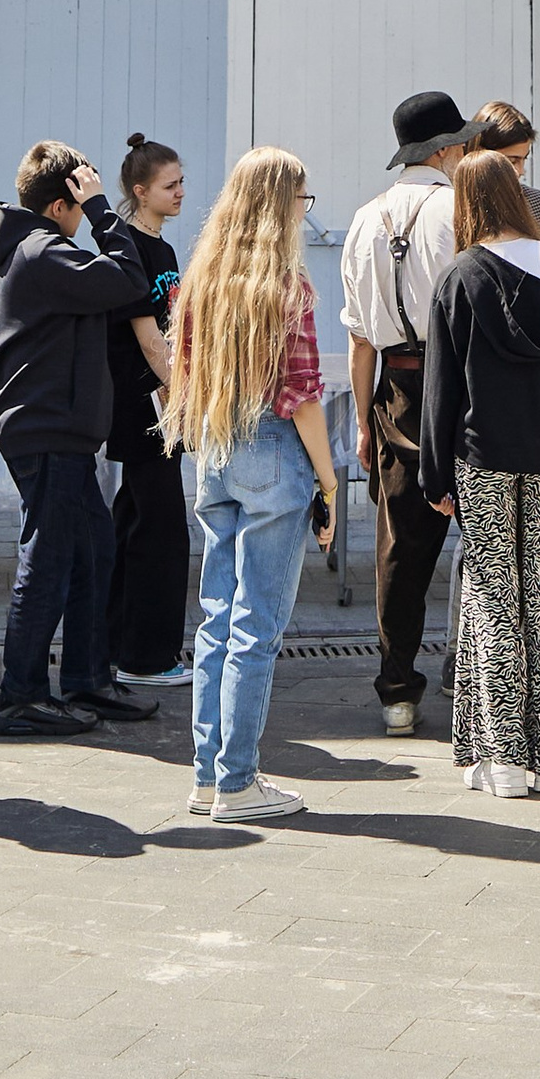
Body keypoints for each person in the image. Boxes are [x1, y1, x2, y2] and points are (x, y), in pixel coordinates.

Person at [164, 147, 341, 822]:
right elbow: (302, 396)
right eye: (303, 200)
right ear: (279, 206)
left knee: (217, 620)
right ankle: (239, 780)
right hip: (272, 448)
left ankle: (210, 776)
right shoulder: (286, 286)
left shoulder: (201, 280)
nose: (306, 210)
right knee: (255, 626)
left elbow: (182, 378)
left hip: (214, 447)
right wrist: (328, 482)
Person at [416, 152, 540, 801]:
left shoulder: (459, 276)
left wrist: (434, 476)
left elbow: (442, 391)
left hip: (481, 458)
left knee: (493, 600)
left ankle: (501, 760)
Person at [0, 142, 163, 741]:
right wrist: (104, 212)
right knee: (50, 559)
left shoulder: (42, 250)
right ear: (63, 204)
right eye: (79, 202)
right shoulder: (42, 252)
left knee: (92, 552)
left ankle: (87, 676)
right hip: (47, 429)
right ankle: (22, 695)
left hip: (62, 429)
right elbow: (128, 279)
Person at [339, 87, 468, 738]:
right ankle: (479, 682)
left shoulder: (364, 219)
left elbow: (359, 339)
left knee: (400, 551)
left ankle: (397, 689)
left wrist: (364, 421)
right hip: (462, 388)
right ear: (445, 149)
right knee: (487, 540)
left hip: (394, 390)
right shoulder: (460, 209)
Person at [106, 134, 193, 687]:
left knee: (134, 522)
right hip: (146, 404)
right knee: (161, 532)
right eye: (171, 184)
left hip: (162, 401)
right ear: (141, 192)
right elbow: (148, 340)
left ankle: (118, 645)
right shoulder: (131, 247)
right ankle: (147, 658)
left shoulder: (162, 247)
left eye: (182, 179)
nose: (182, 191)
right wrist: (182, 395)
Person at [464, 102, 540, 243]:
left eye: (524, 159)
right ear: (480, 152)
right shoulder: (452, 202)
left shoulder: (538, 202)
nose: (520, 171)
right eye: (511, 161)